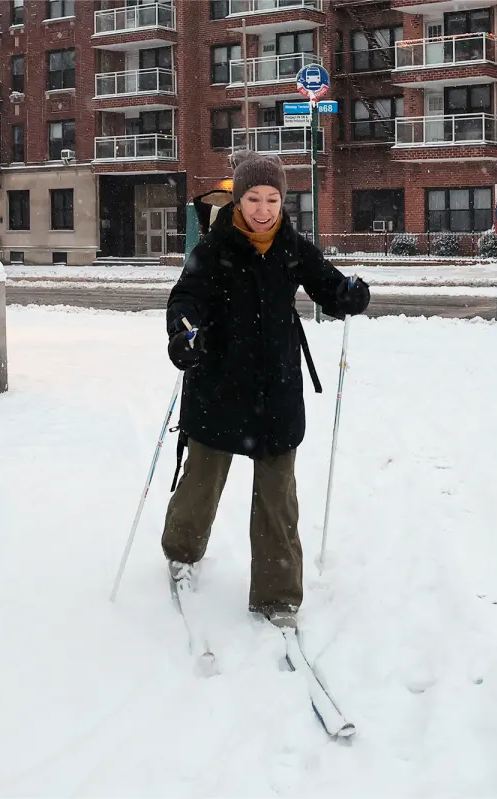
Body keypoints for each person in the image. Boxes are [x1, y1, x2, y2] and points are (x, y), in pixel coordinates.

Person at [161, 150, 371, 626]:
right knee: (201, 483)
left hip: (275, 391)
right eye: (253, 198)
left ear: (283, 201)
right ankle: (181, 551)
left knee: (278, 498)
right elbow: (186, 299)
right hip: (217, 385)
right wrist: (182, 331)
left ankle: (278, 596)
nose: (262, 209)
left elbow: (326, 283)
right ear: (238, 199)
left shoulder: (292, 246)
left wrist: (349, 294)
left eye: (272, 198)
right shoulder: (213, 249)